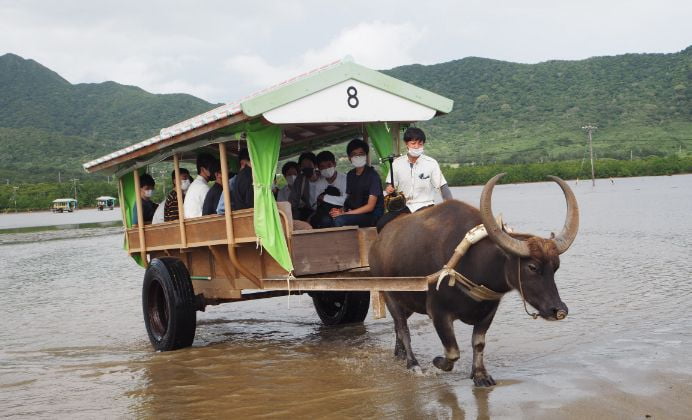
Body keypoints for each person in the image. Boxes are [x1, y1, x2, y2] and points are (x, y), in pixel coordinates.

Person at [377, 127, 453, 232]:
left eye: (420, 144)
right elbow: (390, 184)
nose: (416, 147)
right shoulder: (396, 163)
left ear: (423, 144)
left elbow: (442, 186)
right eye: (413, 143)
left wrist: (451, 206)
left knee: (421, 228)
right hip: (404, 206)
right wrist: (389, 188)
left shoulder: (431, 163)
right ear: (406, 144)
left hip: (425, 205)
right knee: (381, 223)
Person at [329, 139, 384, 227]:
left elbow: (370, 207)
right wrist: (340, 211)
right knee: (329, 219)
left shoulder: (373, 175)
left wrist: (346, 214)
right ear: (349, 158)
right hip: (354, 213)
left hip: (372, 216)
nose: (358, 157)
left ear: (366, 155)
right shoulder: (350, 175)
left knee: (340, 220)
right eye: (354, 154)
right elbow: (349, 200)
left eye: (361, 154)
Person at [311, 151, 348, 228]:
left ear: (334, 164)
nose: (326, 169)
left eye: (329, 165)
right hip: (325, 213)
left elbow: (346, 200)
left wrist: (324, 197)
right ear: (318, 168)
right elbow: (315, 204)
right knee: (324, 220)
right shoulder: (318, 183)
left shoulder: (345, 179)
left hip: (342, 210)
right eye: (322, 166)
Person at [217, 148, 252, 214]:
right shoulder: (233, 182)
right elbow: (221, 209)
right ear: (243, 163)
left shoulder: (233, 181)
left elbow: (220, 210)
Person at [184, 153, 217, 219]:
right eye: (211, 168)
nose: (214, 171)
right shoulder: (203, 188)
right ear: (202, 169)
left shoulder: (195, 185)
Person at [289, 152, 319, 221]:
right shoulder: (300, 179)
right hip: (307, 211)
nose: (306, 167)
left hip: (322, 210)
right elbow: (293, 198)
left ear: (315, 165)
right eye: (303, 165)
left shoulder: (322, 177)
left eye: (309, 164)